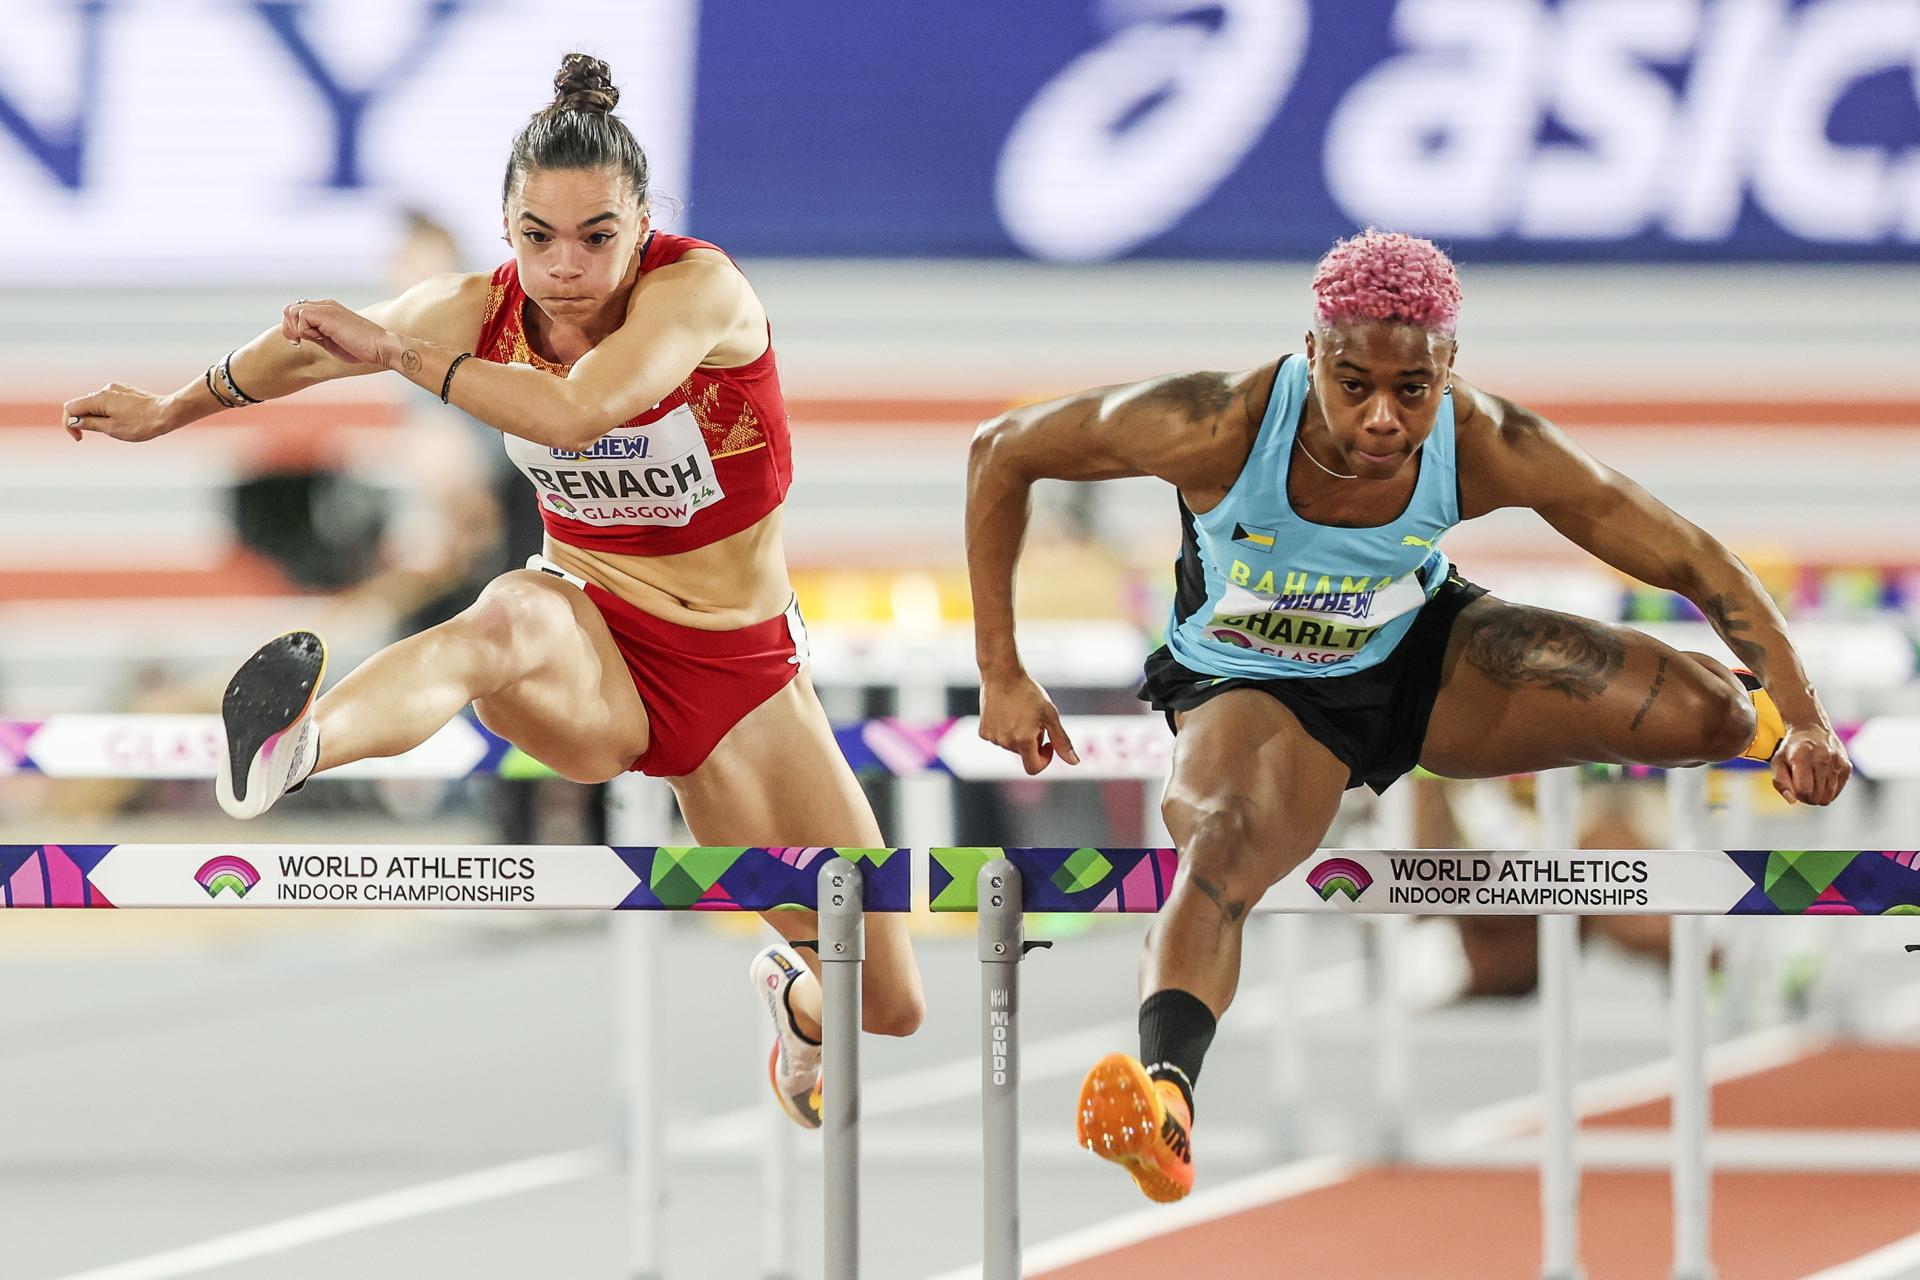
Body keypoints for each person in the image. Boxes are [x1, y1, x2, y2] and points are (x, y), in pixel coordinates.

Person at [61, 53, 925, 1126]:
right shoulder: (476, 307)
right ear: (507, 227)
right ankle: (298, 747)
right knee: (503, 613)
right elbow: (306, 351)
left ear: (643, 221)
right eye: (538, 237)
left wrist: (400, 354)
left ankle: (795, 1004)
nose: (567, 266)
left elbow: (574, 413)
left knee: (887, 1000)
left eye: (598, 236)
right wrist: (171, 408)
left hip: (741, 678)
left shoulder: (699, 291)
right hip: (588, 642)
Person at [964, 228, 1850, 1202]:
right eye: (1353, 385)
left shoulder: (1483, 439)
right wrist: (1001, 671)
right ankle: (1168, 1097)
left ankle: (1703, 685)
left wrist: (1801, 716)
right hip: (1255, 691)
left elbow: (1687, 552)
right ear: (1311, 354)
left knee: (1714, 714)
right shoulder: (1216, 422)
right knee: (1223, 847)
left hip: (1421, 655)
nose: (1384, 418)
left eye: (1412, 391)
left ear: (1449, 368)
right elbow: (1002, 451)